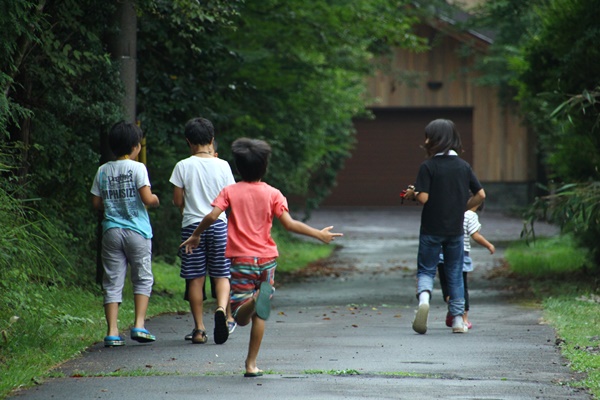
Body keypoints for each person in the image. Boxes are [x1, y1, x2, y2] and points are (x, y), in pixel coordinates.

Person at [180, 137, 342, 377]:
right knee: (261, 315)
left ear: (238, 167)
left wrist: (195, 235)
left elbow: (212, 216)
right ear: (265, 166)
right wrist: (318, 234)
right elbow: (289, 224)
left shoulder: (230, 191)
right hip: (267, 261)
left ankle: (252, 301)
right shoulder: (273, 193)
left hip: (241, 261)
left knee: (240, 316)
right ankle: (251, 364)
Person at [403, 118, 485, 334]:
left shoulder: (428, 166)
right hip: (455, 232)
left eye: (427, 135)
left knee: (427, 269)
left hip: (431, 230)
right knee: (455, 273)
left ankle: (424, 300)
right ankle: (458, 320)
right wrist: (463, 208)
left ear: (434, 139)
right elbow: (481, 194)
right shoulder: (463, 166)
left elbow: (424, 199)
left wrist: (413, 193)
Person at [90, 121, 160, 347]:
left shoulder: (103, 170)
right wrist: (156, 200)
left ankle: (112, 332)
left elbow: (96, 202)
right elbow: (147, 198)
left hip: (111, 231)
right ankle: (139, 324)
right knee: (142, 277)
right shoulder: (138, 168)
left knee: (112, 280)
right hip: (137, 231)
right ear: (135, 146)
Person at [170, 117, 236, 345]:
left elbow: (177, 200)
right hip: (218, 224)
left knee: (195, 279)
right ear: (212, 139)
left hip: (192, 227)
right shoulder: (224, 165)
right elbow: (230, 198)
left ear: (188, 142)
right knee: (221, 273)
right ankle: (221, 310)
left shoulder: (182, 166)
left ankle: (199, 329)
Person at [437, 202, 495, 330]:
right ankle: (464, 319)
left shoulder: (451, 211)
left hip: (442, 254)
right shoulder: (470, 215)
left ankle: (452, 308)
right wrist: (489, 245)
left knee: (446, 286)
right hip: (460, 256)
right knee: (461, 286)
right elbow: (475, 235)